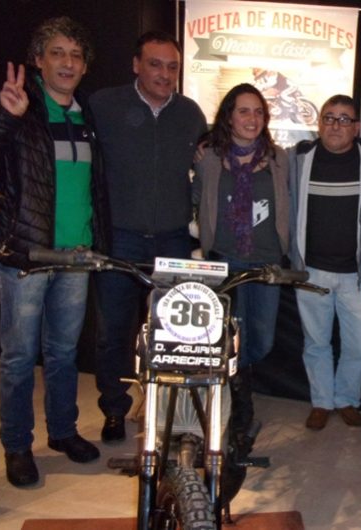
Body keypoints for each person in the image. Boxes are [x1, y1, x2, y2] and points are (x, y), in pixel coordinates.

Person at [0, 16, 108, 486]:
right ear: (38, 60)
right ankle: (17, 445)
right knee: (19, 357)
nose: (68, 62)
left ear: (85, 66)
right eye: (57, 53)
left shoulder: (88, 116)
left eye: (76, 55)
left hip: (75, 256)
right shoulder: (14, 105)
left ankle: (62, 431)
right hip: (23, 255)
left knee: (63, 353)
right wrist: (5, 117)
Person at [89, 31, 207, 443]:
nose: (164, 74)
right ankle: (115, 409)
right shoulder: (103, 105)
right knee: (113, 331)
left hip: (173, 239)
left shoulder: (191, 114)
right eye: (155, 64)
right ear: (136, 65)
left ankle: (166, 412)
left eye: (172, 67)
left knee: (173, 332)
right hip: (119, 238)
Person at [193, 83, 288, 451]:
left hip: (266, 262)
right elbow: (196, 198)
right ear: (229, 116)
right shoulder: (208, 158)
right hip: (224, 260)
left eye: (258, 112)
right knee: (227, 339)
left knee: (260, 341)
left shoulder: (280, 159)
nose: (252, 119)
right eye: (244, 111)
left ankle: (237, 387)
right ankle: (238, 404)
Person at [289, 95, 361, 430]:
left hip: (357, 274)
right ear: (319, 123)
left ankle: (346, 400)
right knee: (316, 343)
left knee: (358, 344)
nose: (336, 125)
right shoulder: (298, 158)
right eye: (329, 117)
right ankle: (321, 402)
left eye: (344, 119)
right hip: (311, 269)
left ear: (356, 127)